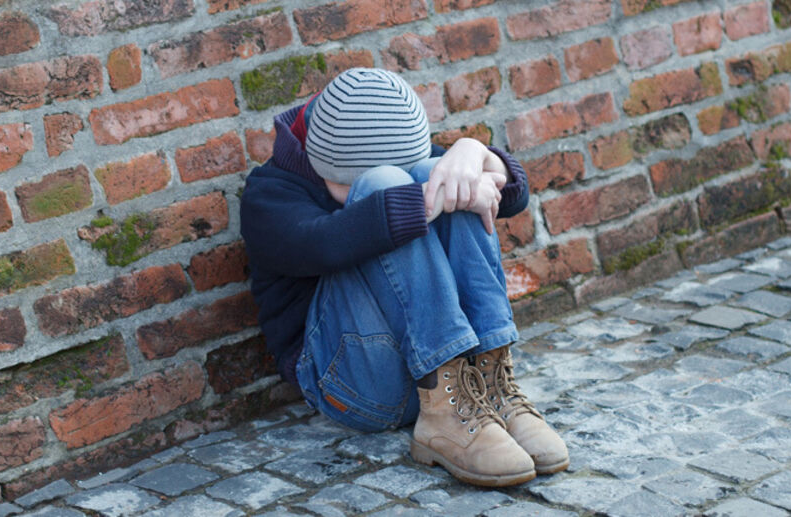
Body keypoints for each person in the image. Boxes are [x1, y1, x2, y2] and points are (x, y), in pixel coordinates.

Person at [240, 68, 566, 487]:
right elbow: (325, 242)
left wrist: (476, 155)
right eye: (346, 184)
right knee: (388, 186)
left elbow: (511, 196)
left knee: (437, 173)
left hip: (458, 385)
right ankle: (444, 418)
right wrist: (427, 197)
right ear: (320, 165)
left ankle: (491, 383)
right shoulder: (270, 194)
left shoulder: (383, 131)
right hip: (353, 385)